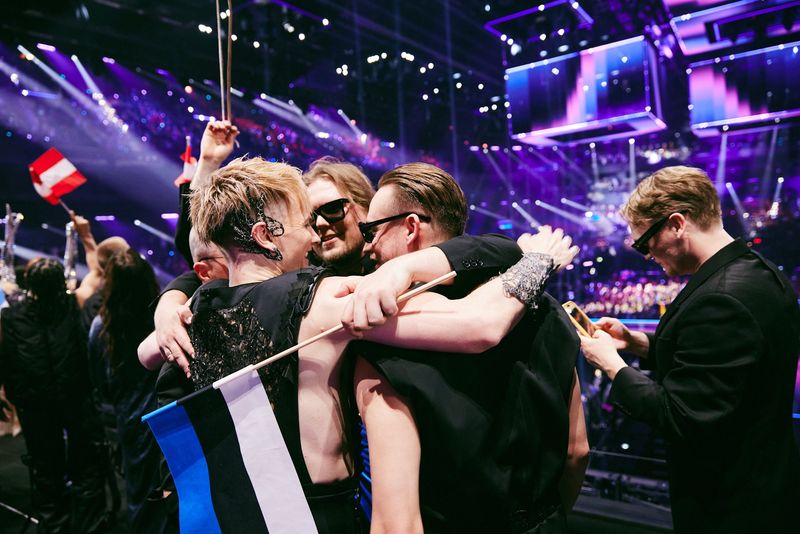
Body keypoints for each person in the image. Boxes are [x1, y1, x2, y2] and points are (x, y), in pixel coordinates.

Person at [142, 155, 575, 532]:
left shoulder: (184, 319)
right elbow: (479, 324)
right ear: (263, 235)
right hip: (317, 519)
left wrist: (167, 304)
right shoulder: (320, 298)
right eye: (304, 225)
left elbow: (147, 354)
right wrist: (536, 261)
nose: (314, 238)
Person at [342, 162, 588, 532]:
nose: (367, 245)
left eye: (371, 231)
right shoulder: (549, 310)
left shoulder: (385, 337)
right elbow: (577, 451)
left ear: (410, 227)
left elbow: (397, 523)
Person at [580, 165, 800, 533]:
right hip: (767, 481)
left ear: (676, 224)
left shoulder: (723, 298)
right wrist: (636, 343)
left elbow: (682, 415)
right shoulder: (756, 271)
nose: (646, 256)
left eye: (644, 243)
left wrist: (613, 365)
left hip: (733, 507)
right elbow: (719, 362)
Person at [0, 258, 107, 533]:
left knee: (47, 471)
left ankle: (55, 527)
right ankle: (89, 527)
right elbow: (97, 272)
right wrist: (85, 237)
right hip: (75, 399)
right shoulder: (75, 304)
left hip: (37, 405)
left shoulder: (10, 316)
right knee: (86, 468)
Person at [88, 249, 173, 532]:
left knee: (137, 492)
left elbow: (99, 380)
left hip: (128, 418)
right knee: (171, 488)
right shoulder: (161, 319)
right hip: (165, 411)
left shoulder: (101, 327)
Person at [303, 156, 375, 275]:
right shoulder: (302, 284)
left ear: (366, 206)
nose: (320, 223)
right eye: (311, 219)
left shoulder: (401, 269)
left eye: (332, 209)